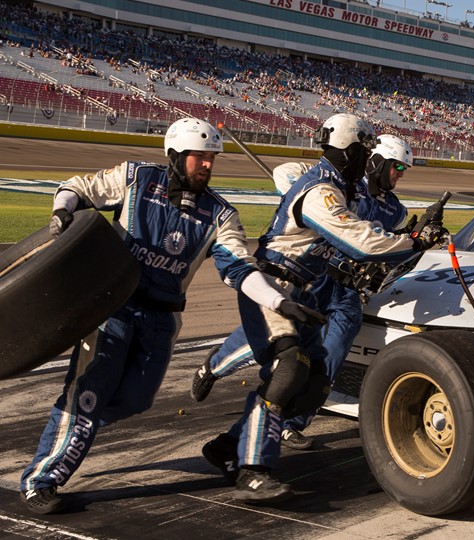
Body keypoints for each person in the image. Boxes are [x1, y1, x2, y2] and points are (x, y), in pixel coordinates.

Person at [19, 118, 322, 515]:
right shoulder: (135, 179)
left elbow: (240, 268)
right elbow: (76, 188)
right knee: (88, 395)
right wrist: (61, 214)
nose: (209, 166)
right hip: (114, 309)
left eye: (212, 158)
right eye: (201, 157)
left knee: (135, 401)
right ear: (176, 155)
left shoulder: (221, 215)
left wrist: (278, 302)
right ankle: (41, 479)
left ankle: (76, 422)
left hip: (162, 322)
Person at [200, 116, 443, 503]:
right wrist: (413, 241)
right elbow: (360, 241)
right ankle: (253, 469)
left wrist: (411, 239)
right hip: (273, 284)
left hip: (307, 292)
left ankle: (227, 446)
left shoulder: (348, 189)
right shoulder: (322, 190)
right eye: (365, 151)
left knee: (314, 386)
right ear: (351, 151)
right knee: (289, 370)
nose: (369, 159)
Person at [191, 134, 415, 451]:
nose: (399, 174)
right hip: (317, 278)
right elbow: (285, 174)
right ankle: (214, 366)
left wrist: (410, 237)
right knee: (268, 340)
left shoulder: (397, 210)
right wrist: (302, 197)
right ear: (376, 161)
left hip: (349, 291)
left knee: (328, 357)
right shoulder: (340, 183)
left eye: (403, 168)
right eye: (396, 166)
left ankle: (291, 423)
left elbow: (384, 245)